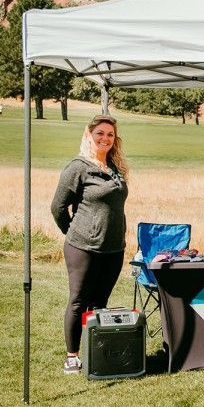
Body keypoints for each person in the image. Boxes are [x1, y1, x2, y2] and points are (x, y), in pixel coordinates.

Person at [50, 115, 130, 374]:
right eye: (100, 133)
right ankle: (72, 356)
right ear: (89, 135)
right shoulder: (78, 167)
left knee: (100, 302)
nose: (105, 138)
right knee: (78, 300)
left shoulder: (115, 168)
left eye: (110, 134)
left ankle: (95, 350)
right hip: (83, 247)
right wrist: (75, 233)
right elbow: (58, 208)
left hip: (114, 248)